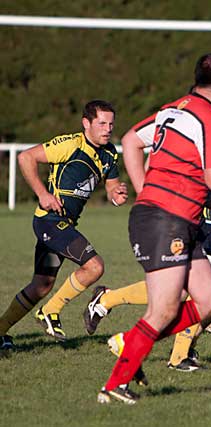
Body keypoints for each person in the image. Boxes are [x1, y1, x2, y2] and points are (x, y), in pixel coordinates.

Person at [98, 53, 211, 405]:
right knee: (163, 310)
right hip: (165, 221)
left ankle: (132, 345)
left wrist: (144, 188)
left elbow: (130, 140)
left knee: (210, 299)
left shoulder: (172, 110)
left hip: (178, 220)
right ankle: (114, 386)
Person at [83, 109, 211, 372]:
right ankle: (160, 346)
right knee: (179, 292)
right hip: (198, 222)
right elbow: (207, 182)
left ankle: (169, 349)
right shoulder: (210, 142)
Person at [0, 100, 127, 350]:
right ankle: (51, 311)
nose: (107, 128)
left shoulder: (110, 153)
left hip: (64, 223)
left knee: (42, 285)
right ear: (86, 124)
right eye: (101, 123)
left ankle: (1, 330)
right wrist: (42, 194)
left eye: (111, 123)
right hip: (49, 221)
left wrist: (117, 195)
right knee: (94, 266)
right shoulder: (70, 144)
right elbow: (26, 158)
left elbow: (112, 186)